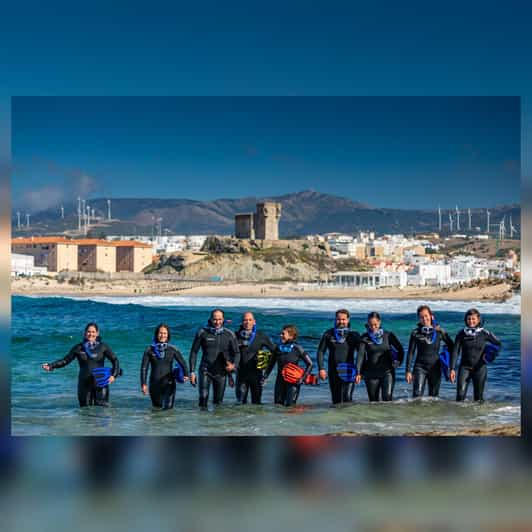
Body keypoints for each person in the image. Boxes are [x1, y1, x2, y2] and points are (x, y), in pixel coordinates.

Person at [41, 322, 120, 407]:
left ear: (97, 333)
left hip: (101, 382)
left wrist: (113, 375)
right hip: (84, 383)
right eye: (89, 331)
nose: (91, 334)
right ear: (85, 333)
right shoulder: (78, 348)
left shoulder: (103, 347)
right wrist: (51, 365)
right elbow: (65, 360)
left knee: (103, 409)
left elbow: (115, 360)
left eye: (93, 332)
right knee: (85, 410)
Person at [189, 309, 240, 408]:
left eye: (220, 319)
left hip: (221, 373)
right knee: (203, 398)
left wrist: (234, 366)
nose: (217, 322)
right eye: (215, 319)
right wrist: (192, 372)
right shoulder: (202, 332)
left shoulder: (229, 334)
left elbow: (237, 353)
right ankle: (203, 422)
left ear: (223, 319)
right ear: (210, 319)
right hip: (205, 370)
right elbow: (194, 352)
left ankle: (216, 424)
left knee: (218, 402)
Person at [450, 308, 501, 402]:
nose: (471, 321)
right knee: (460, 397)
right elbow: (455, 352)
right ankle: (461, 416)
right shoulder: (461, 334)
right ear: (465, 320)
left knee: (478, 398)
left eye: (473, 319)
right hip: (464, 368)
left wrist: (490, 354)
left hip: (480, 368)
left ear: (478, 320)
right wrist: (452, 368)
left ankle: (479, 417)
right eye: (469, 319)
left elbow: (498, 343)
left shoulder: (485, 333)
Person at [405, 305, 454, 398]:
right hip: (420, 367)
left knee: (434, 397)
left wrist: (447, 360)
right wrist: (408, 371)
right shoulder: (415, 333)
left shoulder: (440, 332)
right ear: (419, 319)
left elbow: (452, 347)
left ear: (431, 316)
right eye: (421, 317)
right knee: (417, 396)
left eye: (426, 316)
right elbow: (410, 353)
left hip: (435, 368)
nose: (424, 319)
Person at [356, 312, 404, 402]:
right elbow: (360, 356)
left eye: (375, 324)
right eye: (370, 325)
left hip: (387, 373)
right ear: (367, 324)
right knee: (373, 402)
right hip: (370, 374)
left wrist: (399, 361)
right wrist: (358, 372)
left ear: (379, 322)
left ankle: (388, 417)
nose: (373, 327)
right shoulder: (364, 338)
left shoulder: (388, 335)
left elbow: (400, 349)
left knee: (387, 399)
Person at [317, 309, 360, 404]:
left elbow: (361, 354)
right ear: (335, 319)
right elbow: (320, 351)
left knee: (347, 398)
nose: (341, 322)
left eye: (343, 319)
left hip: (349, 372)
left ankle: (349, 418)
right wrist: (321, 368)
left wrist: (359, 371)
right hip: (333, 372)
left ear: (348, 320)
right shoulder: (328, 334)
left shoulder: (354, 335)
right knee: (336, 401)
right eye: (338, 319)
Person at [140, 323, 189, 409]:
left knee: (168, 409)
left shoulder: (172, 349)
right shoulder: (149, 350)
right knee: (157, 409)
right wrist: (143, 384)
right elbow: (144, 368)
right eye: (160, 333)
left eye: (165, 333)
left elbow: (182, 362)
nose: (162, 335)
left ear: (168, 335)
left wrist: (186, 374)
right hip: (154, 384)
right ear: (156, 334)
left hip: (169, 383)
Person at [264, 324, 313, 407]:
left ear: (291, 336)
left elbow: (310, 364)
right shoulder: (278, 348)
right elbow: (271, 364)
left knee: (290, 407)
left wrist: (302, 378)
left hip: (293, 382)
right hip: (279, 382)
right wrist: (265, 377)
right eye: (281, 333)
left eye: (283, 334)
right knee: (277, 406)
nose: (280, 335)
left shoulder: (298, 348)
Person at [234, 311, 276, 404]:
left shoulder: (261, 336)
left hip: (257, 375)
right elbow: (227, 353)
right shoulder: (235, 336)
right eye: (245, 320)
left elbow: (275, 352)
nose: (247, 322)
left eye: (250, 320)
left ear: (254, 322)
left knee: (256, 404)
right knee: (240, 404)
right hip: (241, 375)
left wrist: (266, 366)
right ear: (242, 322)